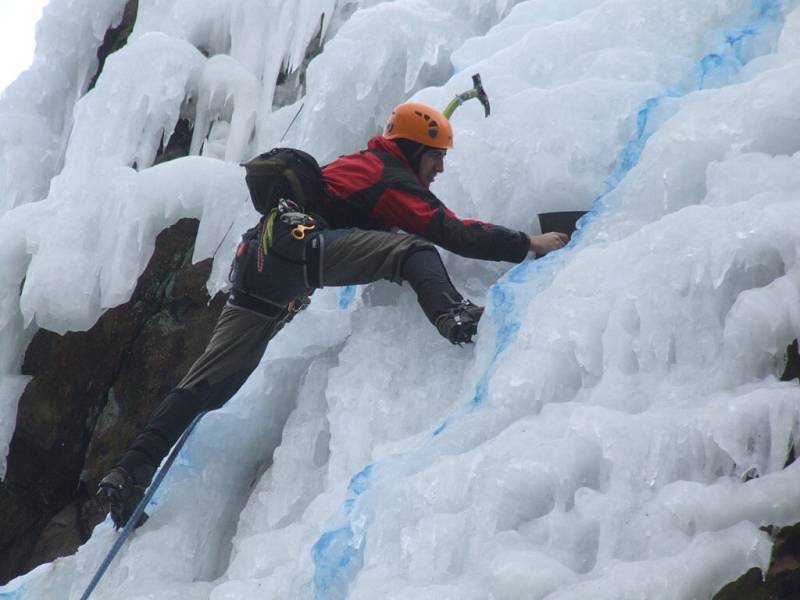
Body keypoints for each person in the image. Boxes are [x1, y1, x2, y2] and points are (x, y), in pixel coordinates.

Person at [96, 102, 568, 528]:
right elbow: (451, 232)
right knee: (413, 250)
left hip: (257, 259)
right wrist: (527, 243)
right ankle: (457, 317)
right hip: (299, 245)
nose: (441, 166)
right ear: (412, 148)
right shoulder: (390, 174)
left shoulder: (362, 167)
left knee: (210, 383)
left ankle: (127, 472)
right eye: (436, 154)